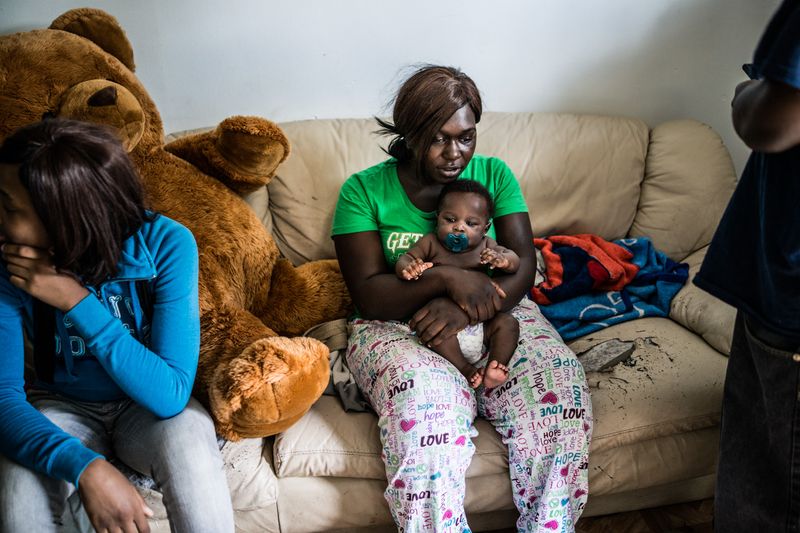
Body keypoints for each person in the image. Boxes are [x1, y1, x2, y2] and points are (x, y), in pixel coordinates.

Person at [332, 65, 592, 532]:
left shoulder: (493, 176)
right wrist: (446, 281)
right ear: (409, 133)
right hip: (397, 327)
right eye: (437, 138)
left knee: (562, 397)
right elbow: (371, 297)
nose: (455, 153)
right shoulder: (363, 190)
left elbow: (524, 268)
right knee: (427, 419)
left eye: (466, 137)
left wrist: (465, 305)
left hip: (500, 314)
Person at [0, 119, 235, 533]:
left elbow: (169, 396)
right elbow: (4, 401)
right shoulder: (9, 261)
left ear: (64, 216)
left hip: (145, 410)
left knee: (191, 441)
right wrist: (87, 468)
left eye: (9, 206)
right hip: (63, 407)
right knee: (18, 483)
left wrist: (73, 300)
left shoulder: (167, 243)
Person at [693, 2, 800, 531]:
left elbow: (772, 122)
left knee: (766, 493)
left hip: (791, 297)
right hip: (777, 291)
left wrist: (747, 93)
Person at [395, 179, 520, 389]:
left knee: (508, 324)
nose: (459, 228)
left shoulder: (487, 246)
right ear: (438, 218)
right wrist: (408, 267)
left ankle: (496, 366)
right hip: (444, 324)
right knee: (435, 335)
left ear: (485, 228)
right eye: (450, 219)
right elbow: (405, 258)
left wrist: (503, 260)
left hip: (481, 323)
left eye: (471, 224)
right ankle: (465, 369)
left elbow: (514, 260)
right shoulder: (431, 243)